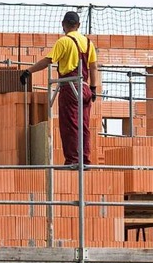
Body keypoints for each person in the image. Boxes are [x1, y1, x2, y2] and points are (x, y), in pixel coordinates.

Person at [19, 11, 98, 167]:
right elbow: (93, 67)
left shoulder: (64, 42)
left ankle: (73, 161)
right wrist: (93, 88)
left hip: (70, 87)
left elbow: (48, 60)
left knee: (70, 125)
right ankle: (85, 161)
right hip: (85, 89)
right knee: (84, 125)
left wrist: (28, 71)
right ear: (79, 25)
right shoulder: (88, 43)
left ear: (63, 25)